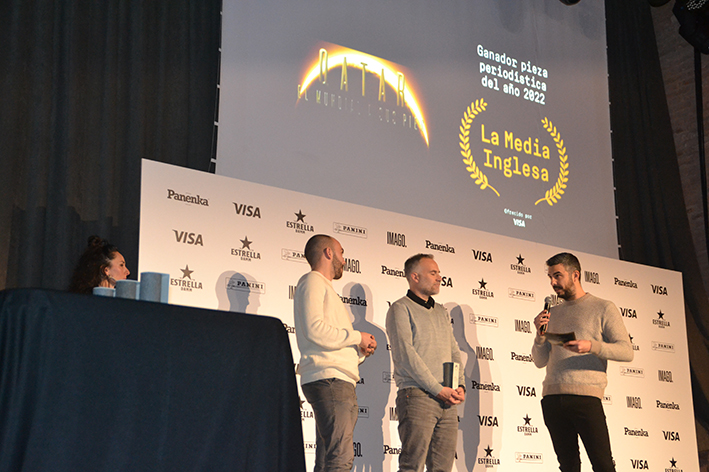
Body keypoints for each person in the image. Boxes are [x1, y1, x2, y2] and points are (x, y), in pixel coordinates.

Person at [532, 252, 633, 472]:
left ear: (575, 275)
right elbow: (539, 361)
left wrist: (592, 346)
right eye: (550, 277)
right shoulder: (551, 314)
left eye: (557, 276)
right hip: (552, 398)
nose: (553, 283)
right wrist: (539, 336)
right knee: (568, 467)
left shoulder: (603, 307)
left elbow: (626, 351)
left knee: (603, 465)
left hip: (585, 398)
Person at [293, 234, 376, 472]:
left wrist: (359, 350)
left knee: (328, 459)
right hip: (330, 380)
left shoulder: (322, 287)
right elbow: (315, 330)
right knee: (340, 457)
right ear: (328, 253)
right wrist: (357, 337)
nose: (344, 260)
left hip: (335, 379)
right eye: (341, 252)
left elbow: (326, 338)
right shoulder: (313, 281)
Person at [386, 254, 465, 472]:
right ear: (415, 277)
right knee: (412, 466)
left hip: (447, 399)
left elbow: (453, 350)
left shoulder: (441, 311)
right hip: (418, 396)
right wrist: (437, 389)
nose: (439, 277)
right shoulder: (400, 308)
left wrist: (459, 385)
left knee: (443, 468)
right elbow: (406, 355)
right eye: (433, 273)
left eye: (439, 273)